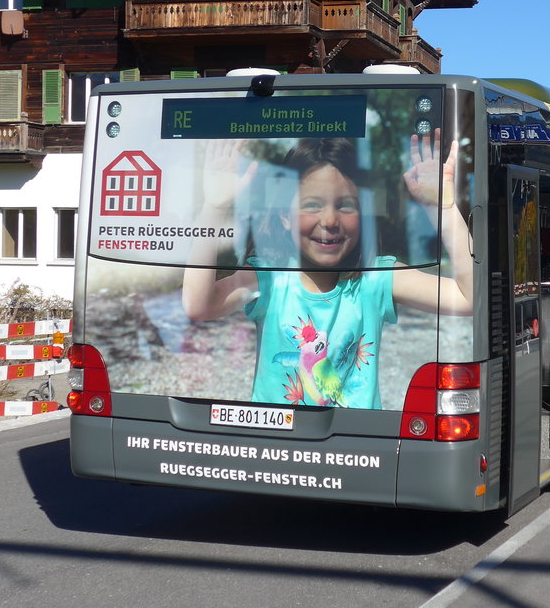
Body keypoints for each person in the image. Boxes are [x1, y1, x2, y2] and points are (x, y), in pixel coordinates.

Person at [182, 131, 473, 409]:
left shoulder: (376, 279)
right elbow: (199, 305)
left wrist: (444, 208)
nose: (330, 219)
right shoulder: (269, 279)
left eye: (346, 206)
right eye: (312, 205)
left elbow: (469, 298)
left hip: (356, 451)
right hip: (275, 446)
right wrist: (214, 208)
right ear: (284, 216)